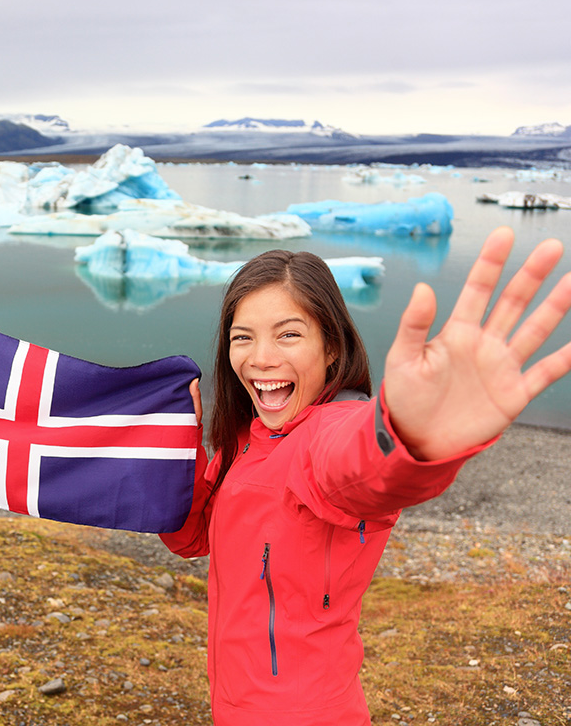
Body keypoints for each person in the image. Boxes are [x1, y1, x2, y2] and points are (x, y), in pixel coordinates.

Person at [160, 226, 571, 725]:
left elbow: (364, 470)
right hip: (233, 699)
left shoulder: (329, 433)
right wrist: (177, 454)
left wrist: (405, 435)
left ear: (332, 347)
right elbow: (195, 537)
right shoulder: (246, 439)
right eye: (242, 337)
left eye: (288, 334)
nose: (260, 357)